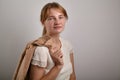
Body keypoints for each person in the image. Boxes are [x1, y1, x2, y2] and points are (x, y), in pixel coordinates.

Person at [13, 2, 76, 80]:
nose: (57, 22)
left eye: (60, 17)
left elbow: (72, 76)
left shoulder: (67, 45)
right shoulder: (41, 50)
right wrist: (57, 66)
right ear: (43, 22)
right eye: (51, 18)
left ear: (65, 19)